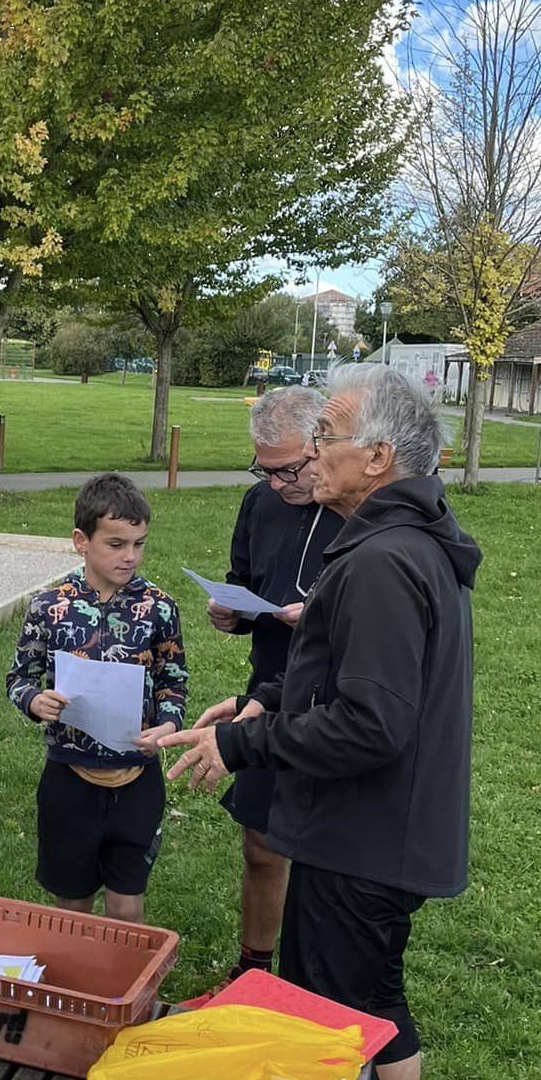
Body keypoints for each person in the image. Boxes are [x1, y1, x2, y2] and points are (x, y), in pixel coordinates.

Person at [158, 365, 481, 1080]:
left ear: (376, 459)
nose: (314, 453)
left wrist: (244, 742)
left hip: (363, 839)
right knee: (375, 999)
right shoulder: (400, 540)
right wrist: (263, 699)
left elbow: (372, 723)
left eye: (327, 438)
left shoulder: (381, 561)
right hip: (377, 832)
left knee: (339, 1022)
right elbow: (353, 678)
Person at [8, 473, 187, 923]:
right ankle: (73, 991)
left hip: (137, 779)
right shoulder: (49, 606)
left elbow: (173, 682)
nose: (130, 556)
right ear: (80, 541)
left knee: (127, 908)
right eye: (116, 544)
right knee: (72, 906)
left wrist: (167, 726)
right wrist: (34, 701)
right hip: (69, 779)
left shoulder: (159, 608)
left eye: (139, 544)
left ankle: (122, 990)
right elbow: (19, 676)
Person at [209, 387, 339, 978]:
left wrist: (316, 617)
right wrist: (232, 613)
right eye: (265, 470)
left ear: (323, 446)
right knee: (261, 843)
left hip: (333, 698)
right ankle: (253, 970)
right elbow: (245, 577)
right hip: (267, 693)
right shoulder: (260, 503)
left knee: (324, 857)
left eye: (289, 469)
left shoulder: (355, 512)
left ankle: (315, 980)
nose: (279, 483)